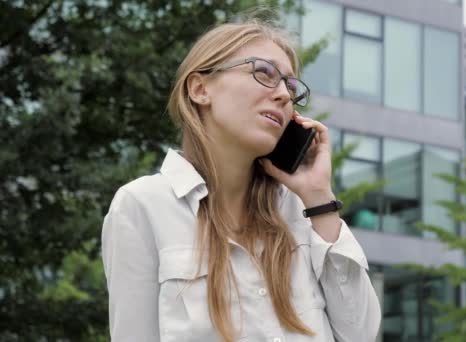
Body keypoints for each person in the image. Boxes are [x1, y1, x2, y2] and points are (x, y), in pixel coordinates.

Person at [101, 19, 381, 342]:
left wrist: (319, 198)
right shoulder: (142, 207)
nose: (283, 96)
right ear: (200, 88)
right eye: (264, 73)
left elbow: (360, 334)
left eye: (291, 88)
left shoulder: (300, 213)